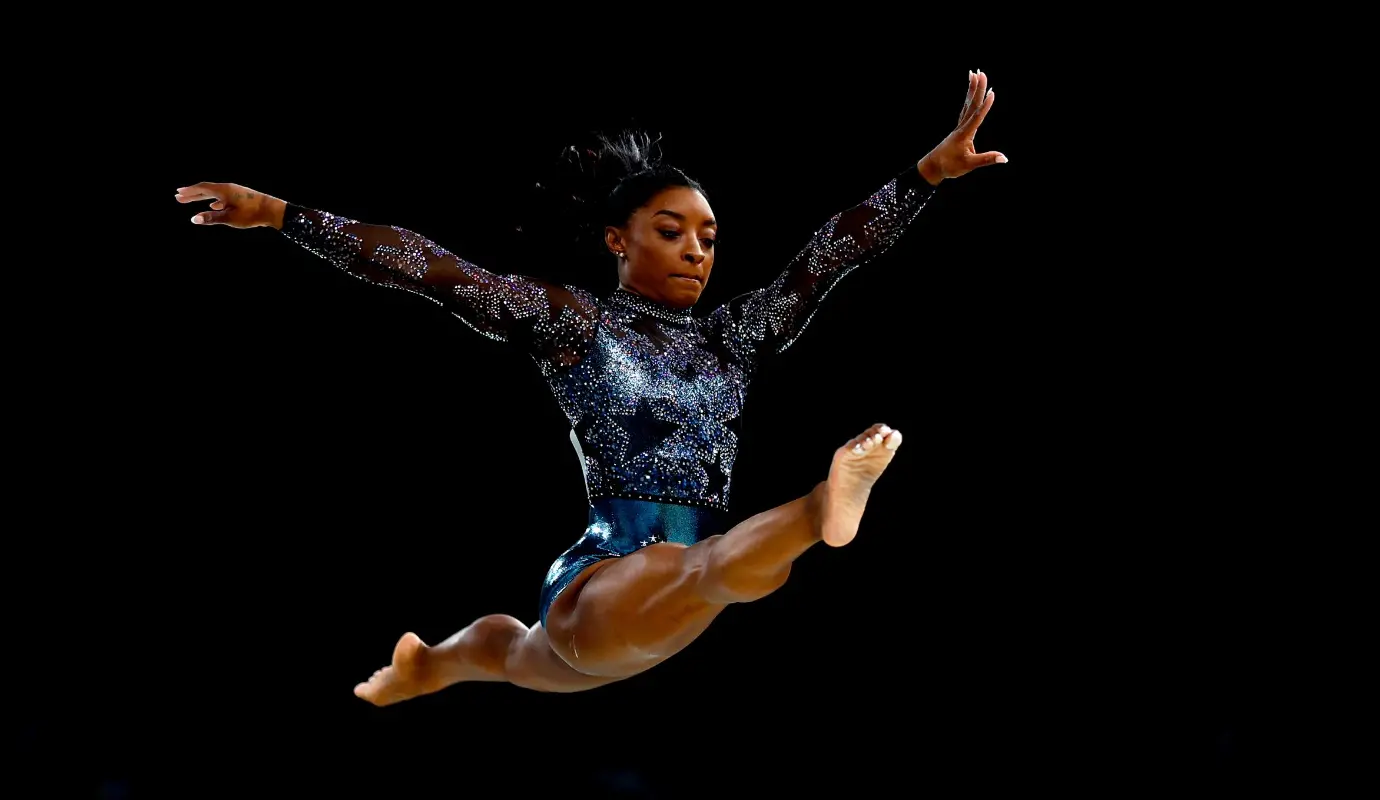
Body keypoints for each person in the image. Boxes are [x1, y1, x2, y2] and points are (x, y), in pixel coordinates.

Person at [175, 70, 1007, 704]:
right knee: (719, 568)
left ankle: (424, 667)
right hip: (608, 578)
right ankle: (820, 507)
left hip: (644, 614)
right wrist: (286, 215)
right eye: (670, 231)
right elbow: (435, 270)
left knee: (508, 653)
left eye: (709, 238)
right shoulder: (575, 323)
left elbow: (828, 258)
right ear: (617, 238)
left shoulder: (735, 337)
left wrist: (925, 176)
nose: (696, 251)